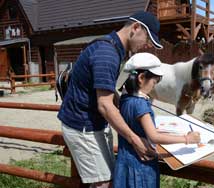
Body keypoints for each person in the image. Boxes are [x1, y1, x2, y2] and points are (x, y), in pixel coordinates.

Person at [57, 11, 163, 188]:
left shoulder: (112, 47)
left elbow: (105, 89)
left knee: (109, 176)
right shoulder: (108, 54)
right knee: (103, 183)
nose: (146, 45)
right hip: (83, 125)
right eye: (147, 39)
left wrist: (126, 102)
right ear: (135, 28)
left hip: (92, 123)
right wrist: (135, 139)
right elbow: (105, 105)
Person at [113, 53, 201, 188]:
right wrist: (187, 139)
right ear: (141, 78)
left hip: (123, 164)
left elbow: (135, 125)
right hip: (140, 168)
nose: (154, 87)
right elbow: (154, 137)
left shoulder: (125, 99)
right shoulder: (140, 104)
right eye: (154, 82)